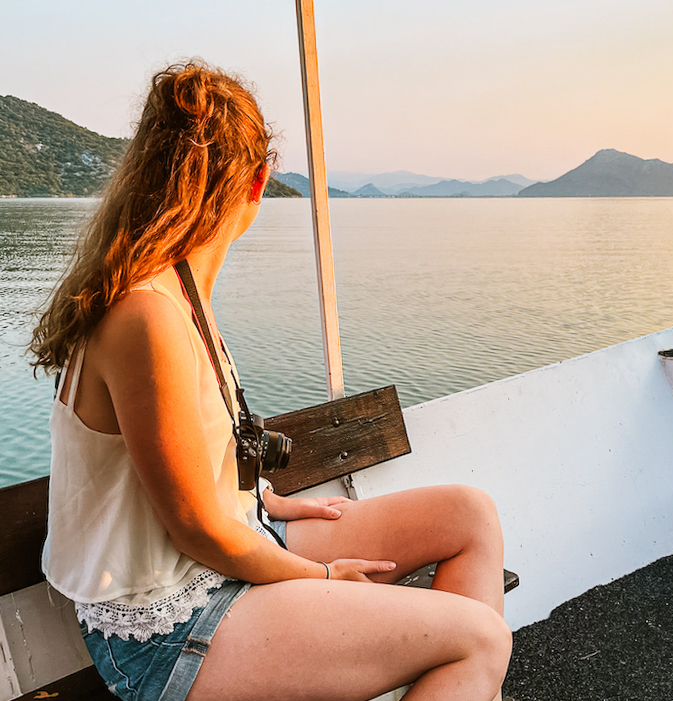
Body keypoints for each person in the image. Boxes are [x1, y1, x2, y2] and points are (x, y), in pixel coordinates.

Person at [30, 61, 511, 701]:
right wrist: (318, 576)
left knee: (469, 515)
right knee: (480, 638)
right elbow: (196, 528)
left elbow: (188, 469)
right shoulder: (146, 315)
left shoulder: (178, 293)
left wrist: (266, 502)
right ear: (259, 183)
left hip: (228, 550)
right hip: (169, 624)